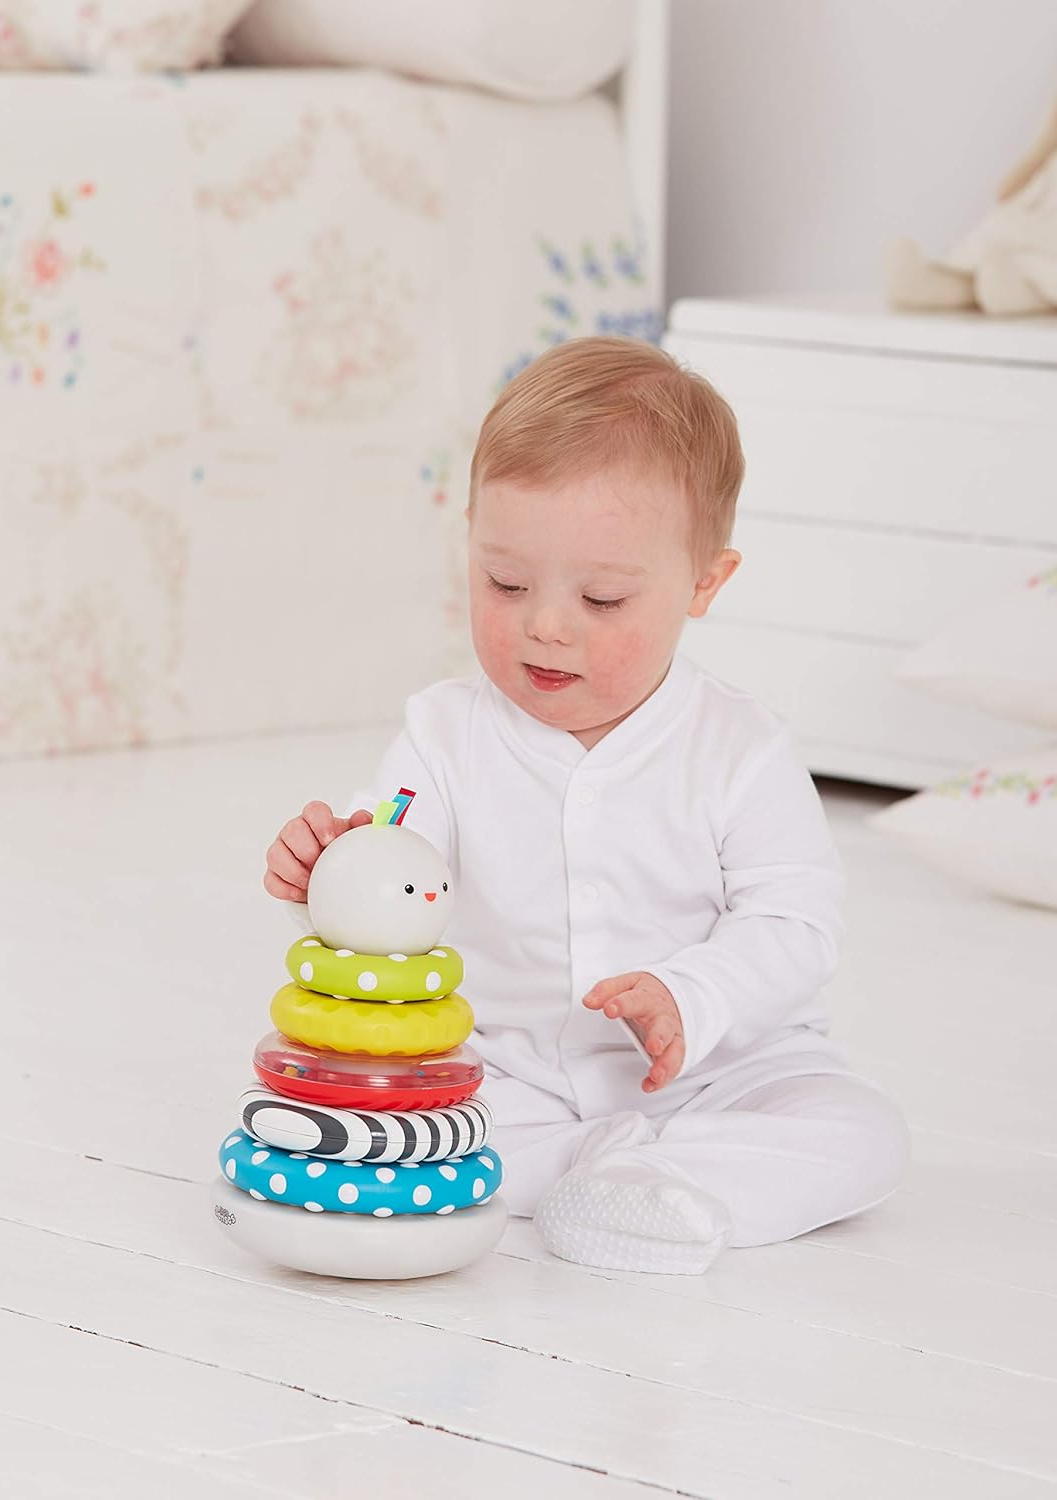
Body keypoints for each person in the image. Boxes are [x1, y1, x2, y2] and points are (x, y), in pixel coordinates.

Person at [264, 336, 909, 1275]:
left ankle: (669, 1180)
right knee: (415, 1130)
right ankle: (616, 1180)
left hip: (722, 1073)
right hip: (512, 1075)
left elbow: (796, 922)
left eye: (602, 598)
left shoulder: (739, 748)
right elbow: (393, 870)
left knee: (861, 1134)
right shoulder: (444, 734)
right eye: (506, 582)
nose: (546, 623)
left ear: (704, 584)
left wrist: (696, 992)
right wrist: (327, 870)